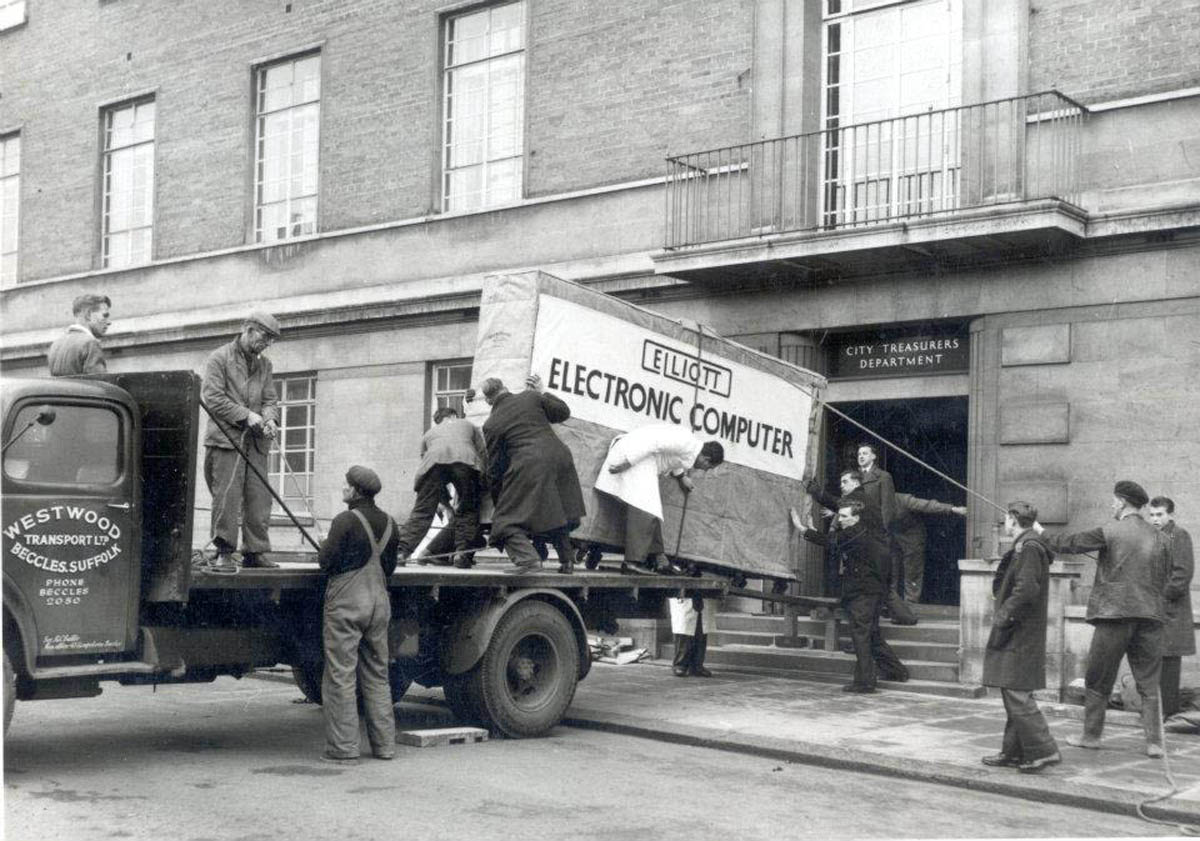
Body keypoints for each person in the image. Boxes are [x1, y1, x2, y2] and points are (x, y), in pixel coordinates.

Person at [1034, 480, 1170, 756]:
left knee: (1098, 679)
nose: (1111, 504)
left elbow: (1069, 544)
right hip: (1150, 616)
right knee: (1149, 682)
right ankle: (1155, 743)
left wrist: (1039, 530)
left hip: (1113, 616)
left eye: (1113, 500)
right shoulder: (1163, 538)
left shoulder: (1109, 531)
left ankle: (1091, 736)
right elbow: (1164, 577)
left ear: (1121, 503)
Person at [317, 465, 400, 765]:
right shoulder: (391, 523)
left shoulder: (345, 521)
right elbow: (389, 568)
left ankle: (343, 749)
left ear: (354, 491)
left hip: (347, 604)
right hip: (379, 604)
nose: (343, 488)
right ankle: (384, 747)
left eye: (345, 485)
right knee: (378, 675)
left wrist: (324, 544)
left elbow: (326, 563)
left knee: (341, 674)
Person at [981, 501, 1062, 773]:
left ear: (1013, 519)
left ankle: (1044, 750)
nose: (1005, 523)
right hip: (1022, 630)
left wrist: (1003, 616)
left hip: (1019, 631)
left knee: (1016, 691)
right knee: (1012, 687)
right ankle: (1014, 751)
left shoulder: (1029, 548)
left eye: (1006, 518)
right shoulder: (1028, 545)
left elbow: (1026, 590)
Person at [200, 310, 282, 573]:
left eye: (271, 339)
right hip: (226, 442)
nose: (267, 343)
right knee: (227, 498)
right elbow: (212, 399)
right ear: (248, 330)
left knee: (260, 499)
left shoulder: (265, 365)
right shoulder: (218, 358)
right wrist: (246, 416)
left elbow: (270, 399)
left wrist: (270, 419)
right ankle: (224, 551)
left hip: (256, 444)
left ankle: (255, 551)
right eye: (265, 337)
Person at [798, 499, 909, 692]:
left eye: (844, 516)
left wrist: (802, 529)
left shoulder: (854, 533)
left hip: (862, 594)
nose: (839, 519)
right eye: (839, 515)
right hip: (873, 592)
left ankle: (865, 682)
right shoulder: (866, 532)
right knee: (872, 635)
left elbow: (830, 542)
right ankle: (896, 671)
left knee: (861, 637)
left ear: (856, 518)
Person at [481, 374, 585, 574]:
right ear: (505, 386)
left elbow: (496, 468)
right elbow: (563, 412)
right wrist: (542, 391)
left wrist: (500, 502)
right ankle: (567, 562)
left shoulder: (491, 424)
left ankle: (528, 561)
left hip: (530, 464)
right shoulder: (531, 397)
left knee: (503, 523)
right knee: (557, 511)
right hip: (561, 457)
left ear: (488, 400)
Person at [594, 423, 724, 574]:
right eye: (709, 467)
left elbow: (675, 458)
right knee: (645, 508)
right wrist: (628, 462)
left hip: (642, 459)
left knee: (652, 509)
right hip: (633, 454)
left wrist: (681, 477)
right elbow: (653, 443)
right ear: (706, 459)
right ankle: (632, 562)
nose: (706, 470)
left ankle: (658, 559)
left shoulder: (691, 448)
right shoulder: (686, 442)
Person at [396, 406, 486, 568]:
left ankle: (402, 552)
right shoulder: (467, 424)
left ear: (438, 421)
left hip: (432, 463)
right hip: (465, 461)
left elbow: (429, 470)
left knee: (422, 511)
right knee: (468, 509)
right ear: (454, 415)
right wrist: (481, 483)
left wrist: (445, 504)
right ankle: (461, 555)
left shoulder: (429, 434)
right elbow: (483, 453)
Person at [1148, 496, 1194, 718]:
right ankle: (1156, 713)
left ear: (1170, 515)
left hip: (1171, 612)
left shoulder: (1179, 535)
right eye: (1152, 515)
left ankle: (1166, 713)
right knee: (1155, 661)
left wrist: (1160, 599)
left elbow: (1182, 575)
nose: (1155, 519)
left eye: (1160, 514)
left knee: (1168, 664)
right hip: (1154, 611)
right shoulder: (1153, 537)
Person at [893, 492, 968, 603]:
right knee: (889, 570)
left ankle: (910, 604)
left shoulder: (902, 499)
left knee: (912, 571)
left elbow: (927, 505)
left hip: (912, 536)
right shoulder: (871, 500)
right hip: (891, 537)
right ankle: (891, 604)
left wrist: (952, 509)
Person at [47, 294, 111, 376]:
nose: (109, 322)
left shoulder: (56, 344)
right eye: (105, 315)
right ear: (88, 315)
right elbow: (101, 384)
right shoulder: (90, 344)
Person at [669, 594, 716, 677]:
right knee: (684, 631)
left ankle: (697, 666)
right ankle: (680, 664)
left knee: (701, 629)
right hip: (686, 596)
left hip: (703, 596)